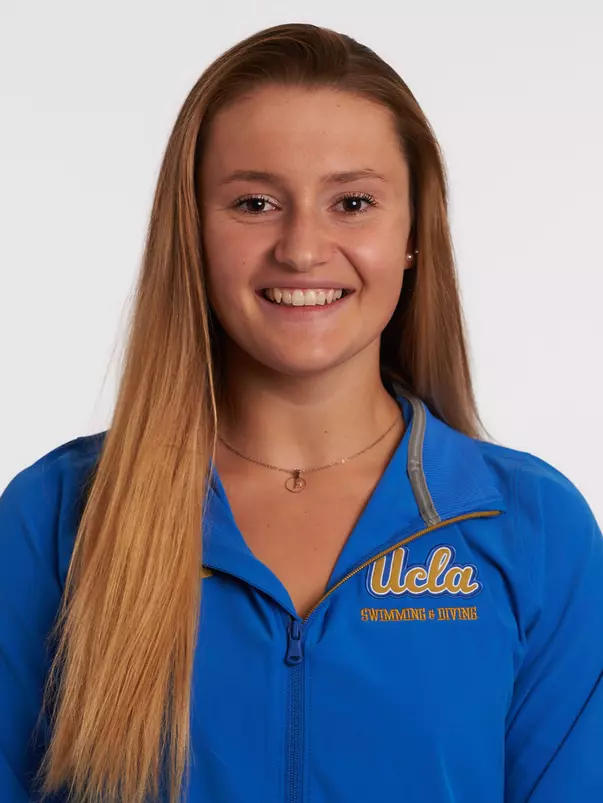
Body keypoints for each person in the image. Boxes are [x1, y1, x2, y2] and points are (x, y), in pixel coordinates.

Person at [0, 20, 601, 803]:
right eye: (254, 201)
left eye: (352, 202)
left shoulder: (529, 530)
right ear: (191, 229)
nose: (302, 248)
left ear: (414, 234)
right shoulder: (55, 519)